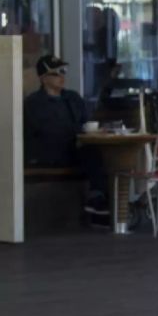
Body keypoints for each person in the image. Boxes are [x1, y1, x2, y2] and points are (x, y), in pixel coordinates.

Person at [23, 55, 108, 216]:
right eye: (56, 73)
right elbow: (48, 130)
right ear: (43, 78)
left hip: (75, 148)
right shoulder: (34, 103)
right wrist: (78, 132)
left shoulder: (73, 98)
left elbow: (85, 122)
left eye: (64, 71)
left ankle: (104, 202)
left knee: (101, 153)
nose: (62, 76)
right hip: (49, 153)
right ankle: (98, 199)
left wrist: (92, 131)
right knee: (91, 154)